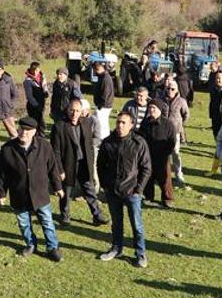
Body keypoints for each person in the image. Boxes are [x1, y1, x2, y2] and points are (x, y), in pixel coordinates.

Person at [0, 116, 64, 262]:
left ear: (34, 132)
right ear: (17, 128)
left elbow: (53, 168)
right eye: (22, 128)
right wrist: (1, 193)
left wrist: (57, 186)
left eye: (28, 130)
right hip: (19, 194)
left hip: (40, 193)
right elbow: (2, 174)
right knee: (24, 223)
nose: (24, 132)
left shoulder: (44, 146)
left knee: (47, 221)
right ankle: (30, 244)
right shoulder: (7, 149)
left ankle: (52, 247)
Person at [97, 112, 152, 268]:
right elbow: (100, 165)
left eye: (123, 123)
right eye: (118, 122)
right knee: (116, 223)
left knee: (137, 225)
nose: (120, 125)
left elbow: (146, 168)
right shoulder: (108, 142)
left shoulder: (138, 143)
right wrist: (105, 185)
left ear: (131, 125)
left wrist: (138, 189)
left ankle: (140, 254)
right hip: (112, 190)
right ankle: (116, 248)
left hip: (132, 191)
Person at [50, 99, 109, 226]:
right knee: (66, 192)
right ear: (67, 109)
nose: (74, 113)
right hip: (67, 165)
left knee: (90, 191)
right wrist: (59, 170)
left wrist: (91, 161)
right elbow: (55, 152)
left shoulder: (87, 123)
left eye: (77, 111)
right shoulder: (59, 126)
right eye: (72, 110)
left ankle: (97, 216)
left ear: (82, 111)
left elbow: (89, 144)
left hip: (84, 163)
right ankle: (65, 216)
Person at [137, 100, 177, 208]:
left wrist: (165, 153)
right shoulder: (145, 123)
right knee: (148, 177)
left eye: (154, 108)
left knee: (165, 178)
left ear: (159, 109)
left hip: (162, 157)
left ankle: (167, 199)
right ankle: (148, 196)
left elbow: (172, 140)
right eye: (150, 108)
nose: (151, 110)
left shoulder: (168, 124)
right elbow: (140, 137)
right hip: (148, 156)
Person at [164, 81, 190, 185]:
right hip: (163, 132)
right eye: (168, 88)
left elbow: (186, 115)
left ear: (177, 90)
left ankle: (179, 175)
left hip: (175, 132)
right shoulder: (162, 99)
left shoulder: (182, 101)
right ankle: (164, 175)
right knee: (163, 155)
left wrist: (179, 124)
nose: (170, 91)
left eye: (172, 89)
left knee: (175, 153)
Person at [80, 98, 103, 190]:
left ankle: (95, 188)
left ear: (87, 110)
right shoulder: (76, 119)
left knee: (92, 169)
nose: (80, 113)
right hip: (79, 149)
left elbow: (97, 138)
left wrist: (87, 145)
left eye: (82, 111)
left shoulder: (94, 121)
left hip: (91, 149)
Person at [23, 62, 48, 133]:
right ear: (30, 70)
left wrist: (46, 92)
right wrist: (37, 106)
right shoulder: (27, 81)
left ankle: (40, 139)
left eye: (36, 70)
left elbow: (45, 86)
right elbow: (29, 96)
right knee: (36, 125)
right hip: (33, 106)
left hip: (41, 104)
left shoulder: (42, 77)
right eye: (33, 70)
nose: (34, 72)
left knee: (41, 125)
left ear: (39, 69)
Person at [93, 61, 115, 140]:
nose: (95, 71)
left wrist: (100, 105)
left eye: (96, 69)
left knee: (101, 123)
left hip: (104, 105)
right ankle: (105, 138)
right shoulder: (101, 76)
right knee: (104, 123)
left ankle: (102, 138)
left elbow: (105, 93)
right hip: (104, 104)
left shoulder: (105, 78)